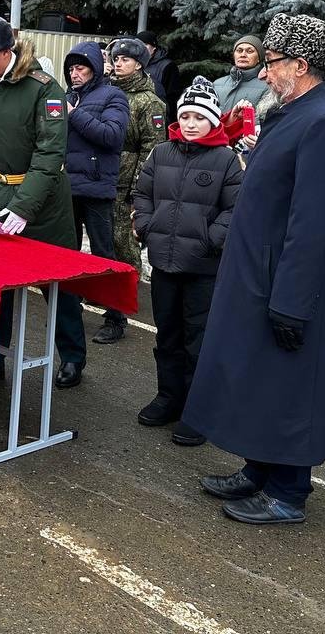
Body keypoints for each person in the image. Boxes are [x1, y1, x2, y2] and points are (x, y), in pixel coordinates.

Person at [187, 13, 325, 525]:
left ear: (300, 65)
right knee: (260, 377)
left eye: (272, 63)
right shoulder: (296, 111)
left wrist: (291, 300)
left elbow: (313, 225)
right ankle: (259, 469)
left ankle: (288, 491)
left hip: (289, 280)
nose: (264, 73)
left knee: (290, 383)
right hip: (261, 271)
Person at [0, 15, 88, 388]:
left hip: (44, 206)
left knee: (58, 286)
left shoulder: (43, 89)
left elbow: (49, 154)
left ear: (5, 50)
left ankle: (73, 356)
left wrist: (25, 205)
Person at [132, 78, 244, 433]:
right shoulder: (162, 152)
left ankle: (199, 409)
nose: (192, 123)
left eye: (200, 117)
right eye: (187, 116)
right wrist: (148, 226)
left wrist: (211, 239)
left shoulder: (226, 159)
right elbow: (143, 192)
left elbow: (235, 207)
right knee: (167, 335)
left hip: (202, 267)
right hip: (164, 261)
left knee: (199, 338)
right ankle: (168, 397)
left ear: (213, 120)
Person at [63, 40, 130, 341]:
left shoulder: (113, 95)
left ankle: (115, 318)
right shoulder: (67, 96)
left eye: (81, 68)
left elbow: (112, 136)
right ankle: (71, 308)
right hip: (68, 186)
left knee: (104, 254)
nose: (75, 74)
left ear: (94, 69)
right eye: (71, 69)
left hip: (97, 187)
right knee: (69, 252)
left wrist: (74, 114)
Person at [105, 36, 167, 342]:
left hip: (127, 183)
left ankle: (121, 308)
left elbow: (152, 149)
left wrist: (139, 190)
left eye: (125, 59)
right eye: (116, 58)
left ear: (140, 64)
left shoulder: (149, 102)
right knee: (104, 242)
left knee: (123, 245)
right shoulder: (107, 92)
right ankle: (103, 294)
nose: (118, 63)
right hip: (102, 178)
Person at [212, 35, 267, 112]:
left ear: (259, 58)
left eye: (249, 51)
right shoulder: (217, 84)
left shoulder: (266, 86)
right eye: (239, 50)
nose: (243, 55)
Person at [138, 30, 183, 123]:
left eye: (145, 45)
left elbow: (173, 98)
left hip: (159, 117)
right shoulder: (133, 63)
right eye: (138, 45)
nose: (141, 48)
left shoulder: (168, 66)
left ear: (154, 47)